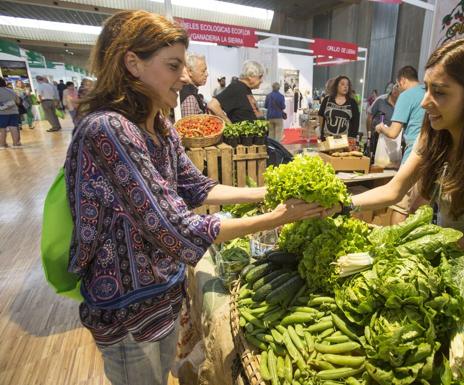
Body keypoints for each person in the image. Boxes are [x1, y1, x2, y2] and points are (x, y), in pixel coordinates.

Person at [68, 11, 326, 385]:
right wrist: (278, 217)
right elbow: (175, 225)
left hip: (163, 295)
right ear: (132, 63)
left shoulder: (159, 126)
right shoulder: (108, 130)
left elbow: (198, 187)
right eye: (173, 65)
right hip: (127, 307)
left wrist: (274, 191)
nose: (185, 77)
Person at [338, 37, 464, 316]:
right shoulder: (435, 135)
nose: (425, 102)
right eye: (427, 88)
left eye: (440, 92)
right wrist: (341, 204)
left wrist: (423, 238)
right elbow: (394, 189)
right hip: (440, 257)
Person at [375, 65, 426, 223]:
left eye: (397, 85)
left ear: (402, 81)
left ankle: (395, 245)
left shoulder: (407, 95)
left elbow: (393, 132)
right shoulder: (429, 92)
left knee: (400, 204)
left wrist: (381, 128)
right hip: (435, 156)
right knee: (421, 207)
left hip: (415, 153)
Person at [318, 75, 360, 140]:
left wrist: (352, 139)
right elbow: (321, 116)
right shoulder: (327, 100)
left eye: (347, 85)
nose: (345, 86)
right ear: (336, 86)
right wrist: (321, 133)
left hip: (344, 142)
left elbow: (355, 123)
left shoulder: (352, 103)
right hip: (327, 139)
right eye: (342, 84)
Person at [366, 84, 401, 162]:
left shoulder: (402, 104)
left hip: (392, 140)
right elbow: (370, 116)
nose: (396, 90)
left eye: (399, 88)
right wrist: (369, 134)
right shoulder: (380, 100)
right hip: (376, 137)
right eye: (395, 87)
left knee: (388, 163)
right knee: (372, 160)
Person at [180, 52, 208, 117]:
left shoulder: (192, 93)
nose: (207, 74)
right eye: (203, 71)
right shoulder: (189, 97)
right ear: (190, 71)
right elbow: (190, 126)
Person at [0, 77, 21, 147]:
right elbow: (18, 101)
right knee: (13, 127)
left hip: (2, 113)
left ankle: (2, 144)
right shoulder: (11, 90)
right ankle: (16, 143)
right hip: (14, 112)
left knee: (2, 129)